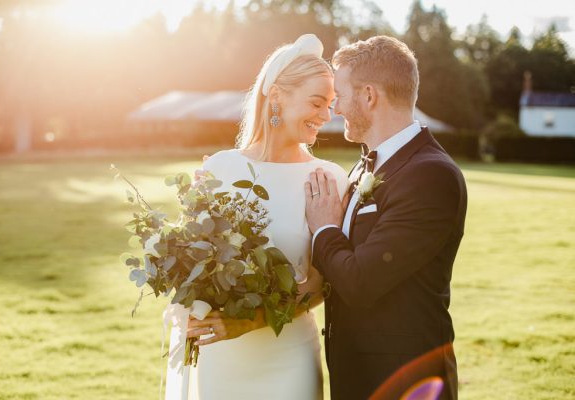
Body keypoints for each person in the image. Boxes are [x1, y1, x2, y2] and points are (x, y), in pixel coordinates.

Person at [169, 34, 349, 400]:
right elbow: (191, 265)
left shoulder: (328, 179)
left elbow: (322, 284)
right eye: (317, 102)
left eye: (330, 105)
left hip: (289, 358)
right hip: (221, 357)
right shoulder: (220, 168)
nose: (326, 116)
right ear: (278, 95)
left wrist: (249, 321)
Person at [304, 36, 467, 400]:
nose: (336, 109)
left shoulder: (430, 175)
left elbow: (361, 281)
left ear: (368, 95)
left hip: (405, 381)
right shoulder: (365, 167)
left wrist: (325, 227)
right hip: (358, 377)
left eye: (340, 96)